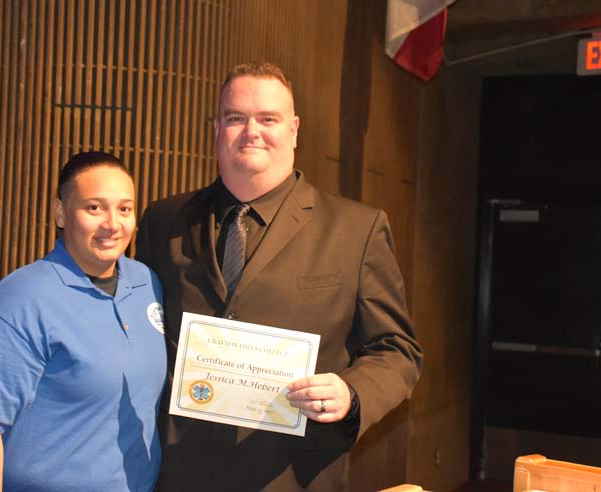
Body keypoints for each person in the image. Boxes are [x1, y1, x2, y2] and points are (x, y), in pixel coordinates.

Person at [135, 61, 423, 491]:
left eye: (268, 118)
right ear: (216, 128)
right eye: (236, 118)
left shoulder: (355, 229)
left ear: (293, 129)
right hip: (178, 472)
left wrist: (351, 393)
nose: (252, 130)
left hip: (293, 476)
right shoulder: (163, 220)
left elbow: (397, 350)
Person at [0, 151, 166, 492]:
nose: (112, 224)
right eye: (94, 208)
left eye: (124, 208)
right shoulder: (20, 300)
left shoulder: (147, 284)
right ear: (60, 213)